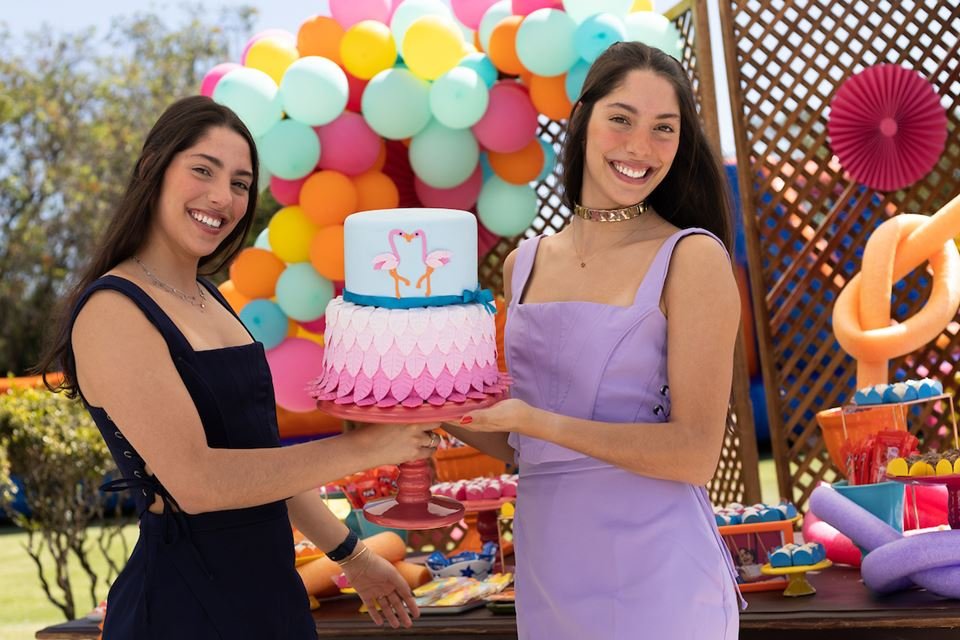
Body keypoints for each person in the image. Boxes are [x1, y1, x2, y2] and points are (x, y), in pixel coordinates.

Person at [37, 95, 439, 637]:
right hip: (185, 607)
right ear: (152, 168)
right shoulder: (114, 309)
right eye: (202, 170)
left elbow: (261, 460)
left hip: (271, 599)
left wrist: (352, 555)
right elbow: (197, 482)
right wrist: (365, 448)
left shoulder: (210, 297)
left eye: (241, 183)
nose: (222, 197)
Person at [442, 42, 744, 639]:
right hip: (548, 574)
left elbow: (694, 453)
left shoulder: (691, 257)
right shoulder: (522, 264)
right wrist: (435, 408)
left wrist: (539, 421)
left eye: (664, 129)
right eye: (622, 118)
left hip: (660, 581)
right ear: (583, 119)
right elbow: (525, 449)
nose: (639, 146)